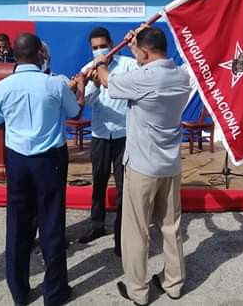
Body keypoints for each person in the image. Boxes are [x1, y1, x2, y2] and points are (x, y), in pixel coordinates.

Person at [92, 27, 190, 306]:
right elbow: (144, 62)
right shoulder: (180, 75)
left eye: (139, 51)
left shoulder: (142, 78)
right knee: (171, 227)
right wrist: (136, 46)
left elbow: (107, 81)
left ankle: (137, 289)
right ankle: (174, 283)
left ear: (145, 52)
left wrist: (101, 63)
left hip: (142, 167)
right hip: (170, 166)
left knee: (136, 231)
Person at [0, 33, 84, 306]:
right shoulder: (54, 84)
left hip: (17, 159)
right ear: (40, 55)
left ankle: (19, 292)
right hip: (49, 160)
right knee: (51, 223)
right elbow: (74, 112)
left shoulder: (3, 86)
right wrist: (80, 89)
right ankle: (54, 294)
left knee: (17, 223)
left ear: (15, 55)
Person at [77, 27, 137, 257]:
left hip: (124, 134)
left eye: (103, 45)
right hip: (100, 135)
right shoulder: (87, 69)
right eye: (95, 47)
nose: (99, 50)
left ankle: (121, 236)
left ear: (112, 44)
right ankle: (97, 225)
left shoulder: (128, 65)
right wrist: (92, 83)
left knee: (123, 187)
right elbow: (88, 102)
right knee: (98, 182)